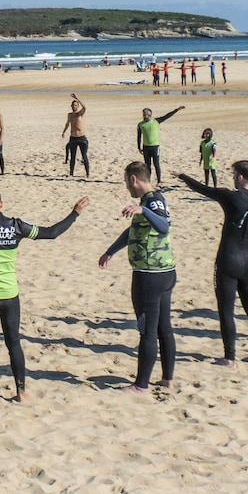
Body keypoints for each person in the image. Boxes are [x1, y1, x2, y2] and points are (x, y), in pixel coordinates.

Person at [0, 188, 87, 403]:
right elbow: (52, 232)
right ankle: (21, 392)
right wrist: (74, 213)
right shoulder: (15, 226)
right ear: (1, 204)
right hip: (10, 295)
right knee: (14, 343)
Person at [176, 160, 248, 363]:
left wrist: (182, 176)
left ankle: (229, 357)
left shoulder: (230, 196)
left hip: (228, 260)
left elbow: (202, 189)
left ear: (239, 176)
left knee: (226, 310)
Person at [98, 162, 176, 393]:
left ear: (134, 179)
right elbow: (133, 230)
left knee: (148, 330)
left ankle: (141, 385)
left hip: (150, 276)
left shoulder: (152, 202)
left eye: (126, 182)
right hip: (164, 273)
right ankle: (167, 379)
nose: (127, 187)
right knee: (163, 327)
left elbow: (163, 226)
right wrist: (110, 251)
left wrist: (144, 210)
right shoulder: (152, 200)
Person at [135, 106, 184, 184]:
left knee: (156, 164)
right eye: (143, 114)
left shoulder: (156, 121)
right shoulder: (140, 124)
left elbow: (167, 116)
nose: (144, 116)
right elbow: (139, 136)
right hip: (145, 147)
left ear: (150, 115)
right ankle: (148, 180)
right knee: (147, 165)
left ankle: (159, 180)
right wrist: (139, 147)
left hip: (155, 147)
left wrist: (176, 110)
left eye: (145, 114)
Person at [63, 96, 91, 178]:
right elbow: (67, 123)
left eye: (75, 105)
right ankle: (71, 173)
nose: (73, 107)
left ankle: (87, 174)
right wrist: (64, 131)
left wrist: (77, 98)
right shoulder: (70, 115)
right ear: (71, 106)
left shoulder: (80, 114)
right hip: (73, 138)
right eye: (72, 105)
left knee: (84, 156)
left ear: (78, 106)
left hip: (82, 138)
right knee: (73, 157)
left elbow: (85, 107)